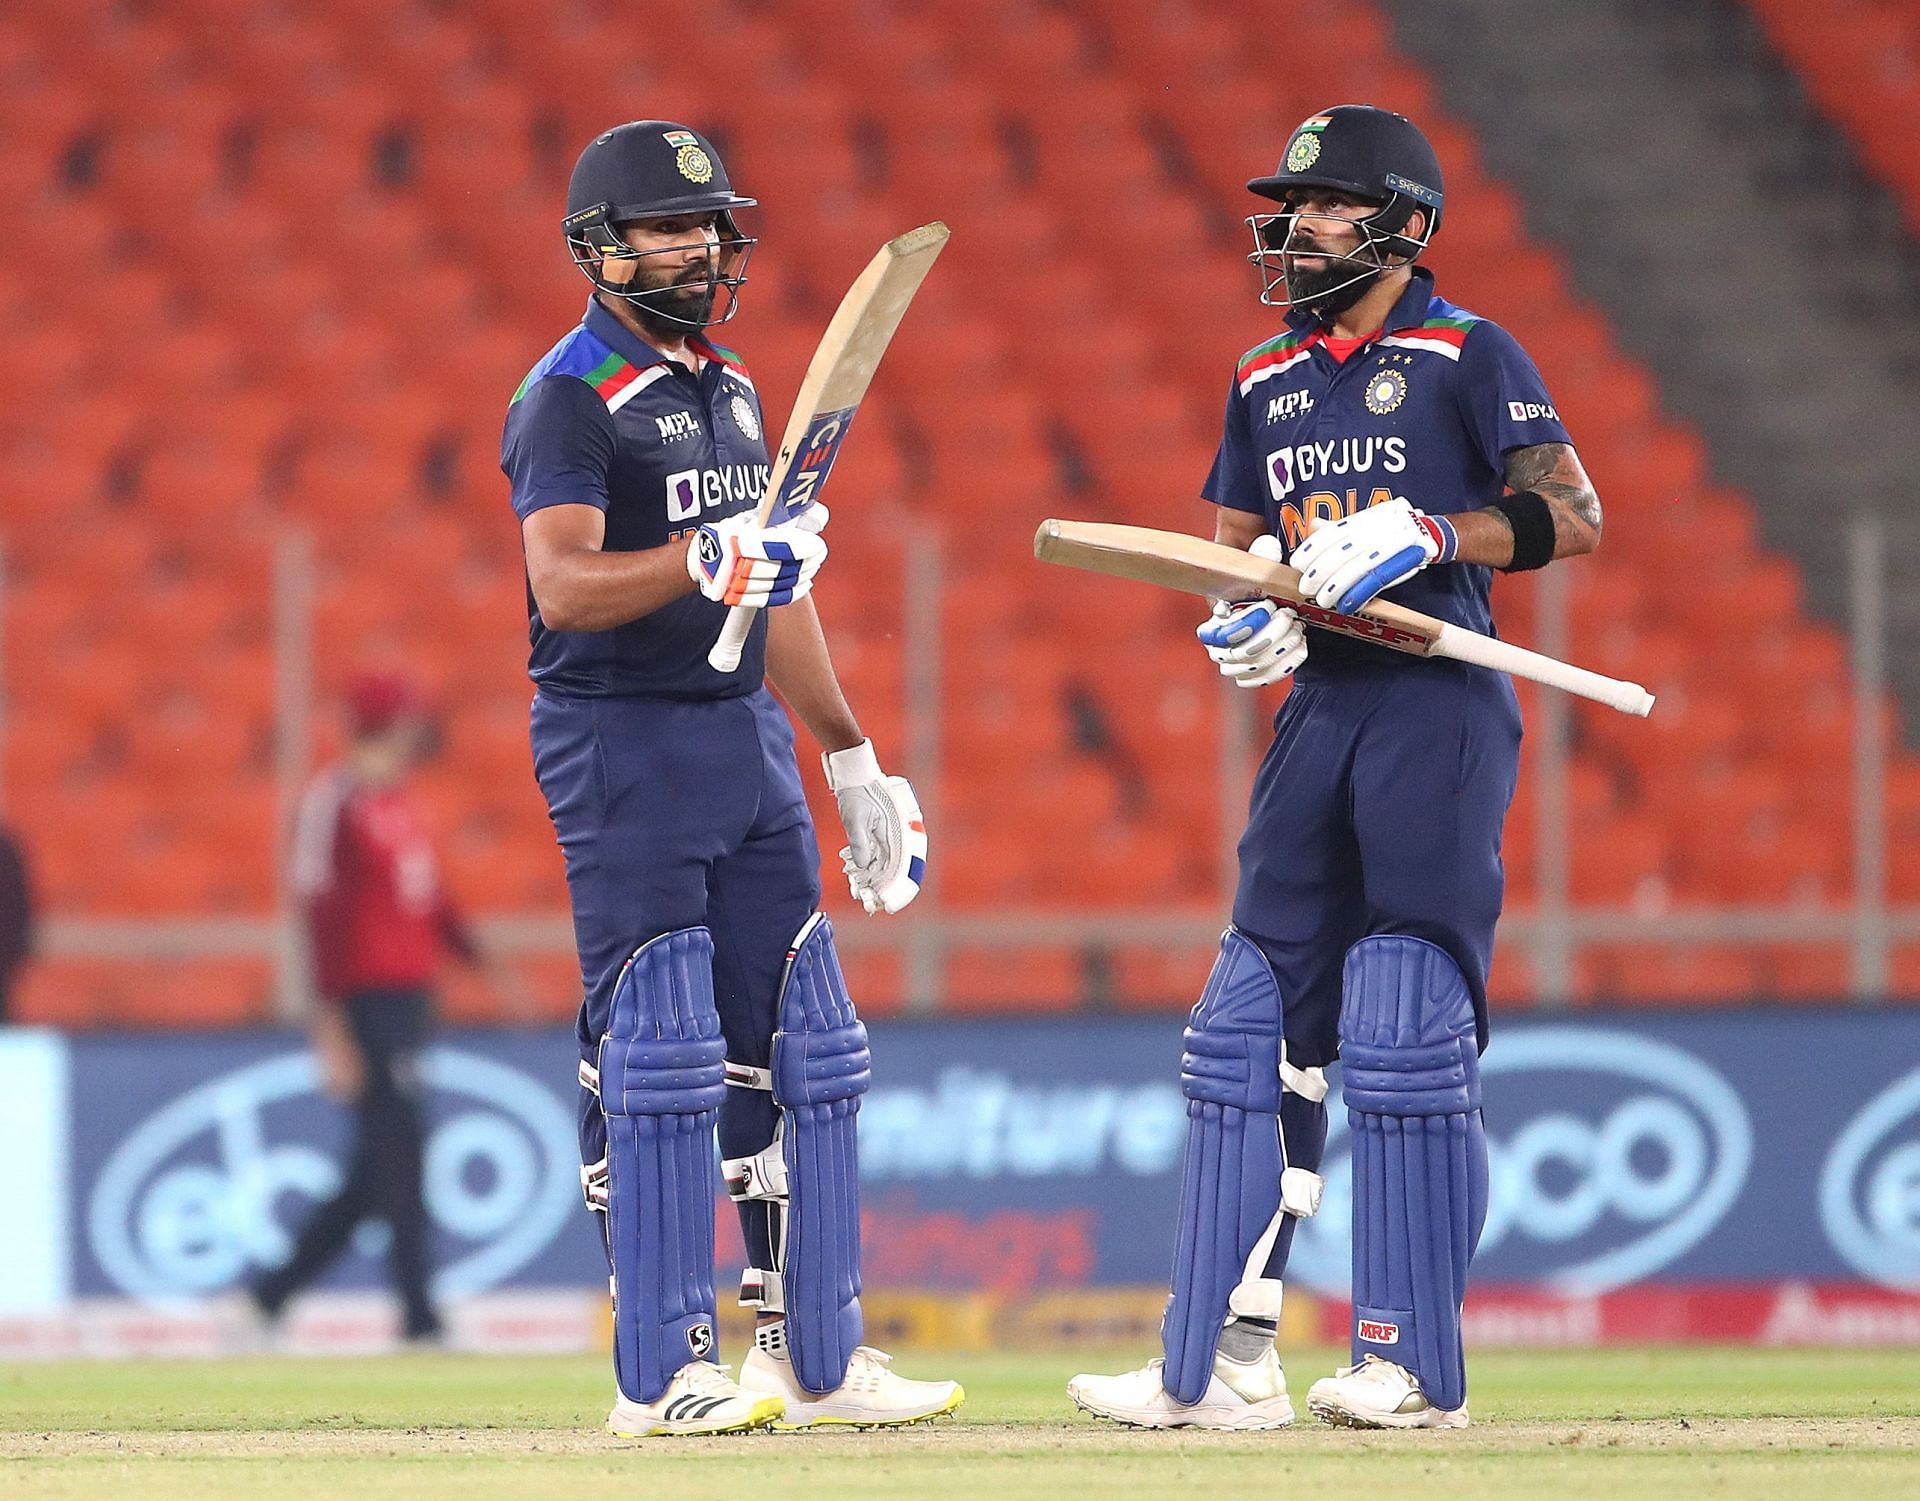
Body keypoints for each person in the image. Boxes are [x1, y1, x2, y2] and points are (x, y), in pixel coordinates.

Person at [1068, 104, 1602, 1431]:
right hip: (1321, 711)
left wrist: (1433, 529)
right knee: (1245, 1020)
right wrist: (1246, 617)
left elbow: (1572, 513)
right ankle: (1214, 1358)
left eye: (1326, 207)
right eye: (1290, 208)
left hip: (1441, 701)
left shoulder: (1471, 353)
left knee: (1406, 1025)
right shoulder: (1264, 375)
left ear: (1404, 227)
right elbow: (1236, 545)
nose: (1297, 227)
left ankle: (1411, 1361)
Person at [502, 120, 960, 1438]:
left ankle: (810, 1352)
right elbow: (565, 585)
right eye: (668, 228)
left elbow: (778, 586)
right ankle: (663, 1368)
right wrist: (699, 559)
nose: (700, 247)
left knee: (806, 1043)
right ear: (601, 247)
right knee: (659, 1044)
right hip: (621, 738)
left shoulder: (736, 387)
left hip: (743, 728)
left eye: (710, 227)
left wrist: (849, 750)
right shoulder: (569, 395)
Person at [248, 667, 529, 1342]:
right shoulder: (336, 801)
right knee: (400, 1154)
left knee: (381, 1163)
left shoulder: (397, 801)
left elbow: (430, 899)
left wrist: (481, 961)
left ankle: (270, 1296)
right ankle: (418, 1314)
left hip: (407, 999)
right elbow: (321, 913)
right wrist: (330, 1025)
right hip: (366, 1001)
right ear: (388, 722)